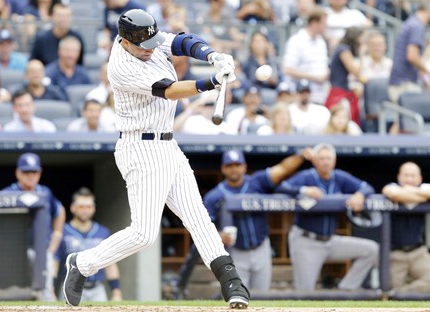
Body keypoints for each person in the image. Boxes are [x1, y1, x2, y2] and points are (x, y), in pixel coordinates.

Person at [62, 8, 250, 309]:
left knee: (198, 217)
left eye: (151, 43)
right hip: (140, 148)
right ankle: (83, 263)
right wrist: (211, 82)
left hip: (167, 145)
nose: (150, 50)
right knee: (144, 234)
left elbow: (182, 42)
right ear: (125, 41)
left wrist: (213, 55)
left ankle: (233, 285)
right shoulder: (122, 65)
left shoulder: (147, 39)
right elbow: (171, 91)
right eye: (142, 46)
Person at [203, 148, 312, 290]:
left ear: (244, 166)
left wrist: (300, 156)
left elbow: (282, 169)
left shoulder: (256, 182)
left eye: (237, 165)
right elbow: (202, 226)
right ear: (223, 169)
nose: (234, 169)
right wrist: (216, 236)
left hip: (261, 247)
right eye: (229, 166)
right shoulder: (214, 196)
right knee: (238, 295)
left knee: (262, 296)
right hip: (235, 251)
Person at [275, 143, 379, 291]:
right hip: (306, 241)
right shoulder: (307, 176)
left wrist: (360, 195)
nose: (325, 162)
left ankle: (345, 290)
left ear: (334, 161)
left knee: (371, 249)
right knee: (305, 293)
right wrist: (304, 190)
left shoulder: (339, 177)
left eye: (328, 158)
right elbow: (281, 187)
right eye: (321, 158)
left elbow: (367, 187)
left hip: (330, 240)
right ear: (315, 161)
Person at [2, 152, 66, 301]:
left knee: (46, 293)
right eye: (26, 172)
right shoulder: (8, 193)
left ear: (39, 173)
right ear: (18, 173)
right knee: (15, 292)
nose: (30, 175)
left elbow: (60, 210)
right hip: (15, 253)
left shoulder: (45, 192)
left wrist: (56, 236)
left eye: (34, 172)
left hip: (42, 250)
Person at [55, 187, 123, 302]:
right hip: (69, 287)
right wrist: (50, 290)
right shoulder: (63, 230)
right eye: (81, 206)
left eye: (89, 207)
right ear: (73, 207)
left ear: (94, 208)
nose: (85, 210)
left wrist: (116, 292)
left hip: (97, 288)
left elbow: (110, 263)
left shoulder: (103, 232)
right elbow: (54, 261)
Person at [381, 162, 430, 293]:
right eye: (406, 175)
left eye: (412, 176)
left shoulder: (425, 187)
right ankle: (398, 292)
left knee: (397, 293)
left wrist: (409, 190)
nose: (409, 179)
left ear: (419, 178)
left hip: (418, 252)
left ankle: (403, 292)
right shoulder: (393, 186)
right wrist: (421, 196)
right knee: (388, 289)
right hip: (396, 254)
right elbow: (392, 193)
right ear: (399, 177)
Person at [388, 1, 430, 134]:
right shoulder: (417, 26)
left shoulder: (412, 23)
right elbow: (412, 56)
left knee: (401, 122)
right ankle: (388, 150)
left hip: (402, 81)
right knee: (403, 123)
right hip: (404, 83)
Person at [282, 6, 330, 105]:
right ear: (314, 23)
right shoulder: (297, 41)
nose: (326, 26)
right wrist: (315, 77)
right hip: (302, 97)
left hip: (320, 96)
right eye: (324, 23)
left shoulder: (321, 42)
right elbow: (287, 69)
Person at [324, 27, 366, 126]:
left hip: (342, 90)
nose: (363, 41)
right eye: (362, 37)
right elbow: (356, 72)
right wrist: (362, 54)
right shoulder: (343, 50)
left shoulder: (344, 49)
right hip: (339, 92)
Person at [45, 36, 91, 100]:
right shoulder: (49, 73)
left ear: (79, 53)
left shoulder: (83, 74)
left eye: (74, 51)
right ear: (59, 51)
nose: (70, 55)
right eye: (67, 50)